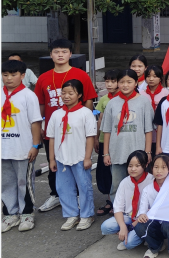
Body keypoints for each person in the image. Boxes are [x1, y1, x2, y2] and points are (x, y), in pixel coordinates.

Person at [34, 39, 96, 212]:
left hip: (76, 131)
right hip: (53, 130)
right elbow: (40, 104)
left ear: (70, 54)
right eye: (56, 51)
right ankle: (56, 195)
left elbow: (89, 99)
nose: (60, 55)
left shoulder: (81, 75)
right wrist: (39, 127)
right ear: (51, 55)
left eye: (64, 51)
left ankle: (79, 196)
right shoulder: (43, 78)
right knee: (54, 163)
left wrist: (84, 124)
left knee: (78, 163)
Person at [46, 79, 97, 231]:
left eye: (71, 93)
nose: (66, 96)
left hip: (79, 158)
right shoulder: (56, 114)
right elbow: (51, 138)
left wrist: (87, 158)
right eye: (63, 93)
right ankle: (71, 214)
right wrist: (52, 159)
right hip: (62, 158)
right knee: (64, 188)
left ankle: (87, 215)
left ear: (79, 94)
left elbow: (90, 137)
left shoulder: (85, 113)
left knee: (84, 187)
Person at [1, 59, 42, 233]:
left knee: (24, 182)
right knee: (6, 183)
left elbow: (35, 122)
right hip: (4, 148)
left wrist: (35, 145)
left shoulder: (28, 96)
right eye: (5, 75)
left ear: (23, 75)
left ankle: (26, 213)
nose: (9, 78)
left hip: (23, 148)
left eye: (13, 75)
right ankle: (10, 213)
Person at [102, 69, 154, 204]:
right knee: (117, 185)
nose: (125, 85)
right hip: (117, 151)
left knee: (141, 184)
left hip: (138, 151)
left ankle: (141, 210)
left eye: (129, 82)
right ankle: (118, 210)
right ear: (117, 83)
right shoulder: (112, 103)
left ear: (136, 83)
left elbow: (148, 129)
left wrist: (148, 152)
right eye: (122, 82)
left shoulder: (144, 102)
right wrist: (106, 153)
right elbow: (107, 130)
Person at [133, 154, 169, 258]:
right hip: (156, 222)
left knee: (168, 224)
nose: (159, 171)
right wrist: (142, 215)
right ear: (151, 168)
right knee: (140, 226)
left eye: (163, 167)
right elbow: (142, 210)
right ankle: (156, 246)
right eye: (156, 167)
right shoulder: (147, 189)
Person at [100, 150, 152, 250]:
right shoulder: (125, 182)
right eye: (130, 166)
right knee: (105, 227)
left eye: (137, 165)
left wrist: (132, 226)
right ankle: (131, 233)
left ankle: (143, 235)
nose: (133, 169)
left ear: (145, 165)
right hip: (129, 216)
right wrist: (123, 226)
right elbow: (118, 208)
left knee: (129, 244)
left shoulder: (151, 181)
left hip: (145, 219)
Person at [95, 70, 119, 217]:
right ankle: (110, 201)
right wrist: (97, 138)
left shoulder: (122, 99)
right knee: (106, 172)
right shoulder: (104, 99)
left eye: (113, 81)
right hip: (105, 139)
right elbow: (100, 119)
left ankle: (119, 203)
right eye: (107, 81)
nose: (109, 84)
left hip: (118, 140)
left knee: (118, 172)